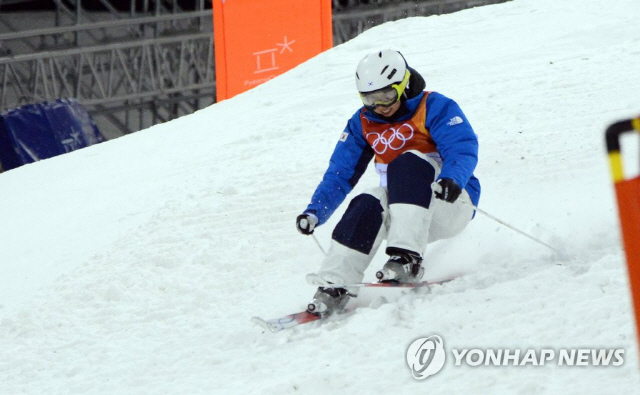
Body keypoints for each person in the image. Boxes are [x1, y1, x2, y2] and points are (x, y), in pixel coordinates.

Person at [296, 49, 481, 316]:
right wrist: (315, 212)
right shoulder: (363, 122)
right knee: (369, 200)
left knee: (407, 162)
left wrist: (452, 178)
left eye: (386, 95)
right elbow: (340, 172)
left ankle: (407, 260)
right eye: (370, 99)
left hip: (448, 202)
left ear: (403, 84)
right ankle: (334, 285)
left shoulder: (435, 106)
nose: (380, 106)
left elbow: (462, 146)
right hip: (405, 215)